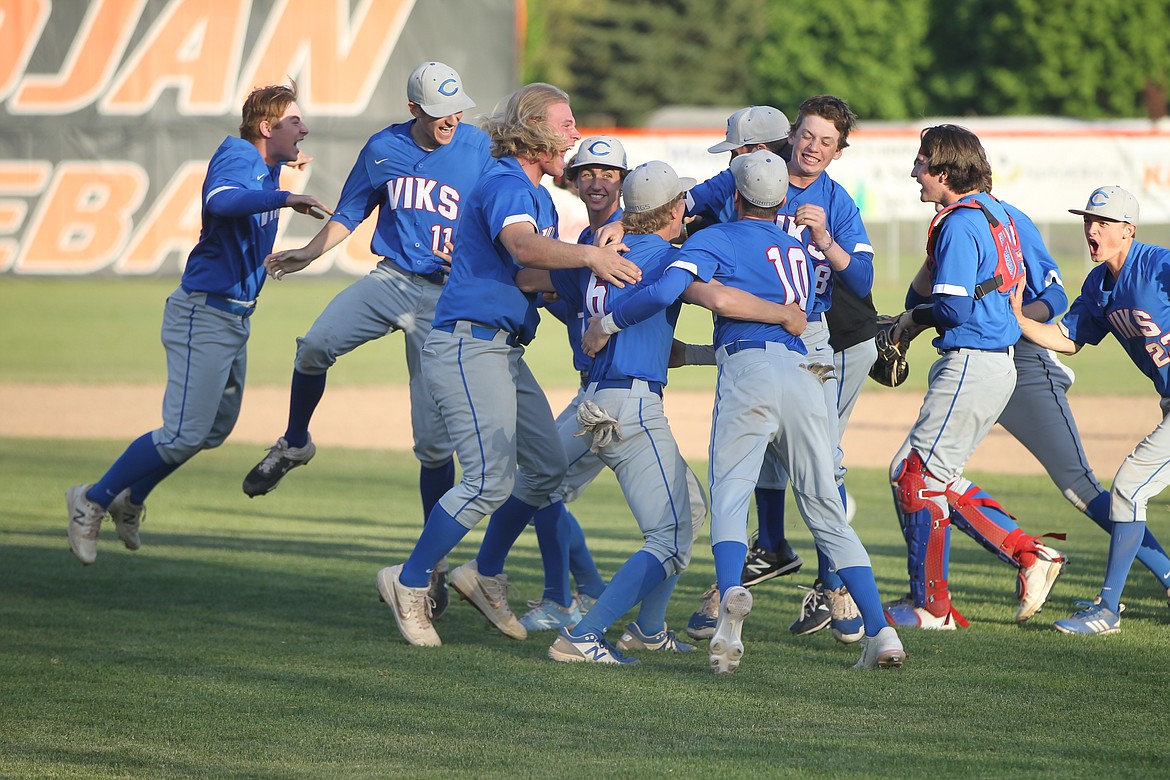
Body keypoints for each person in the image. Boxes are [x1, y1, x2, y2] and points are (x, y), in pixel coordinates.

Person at [584, 151, 906, 672]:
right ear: (782, 199)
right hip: (804, 375)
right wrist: (691, 351)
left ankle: (731, 596)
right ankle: (881, 630)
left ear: (734, 196)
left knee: (731, 495)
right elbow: (788, 316)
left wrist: (610, 323)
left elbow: (676, 290)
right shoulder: (799, 246)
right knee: (825, 506)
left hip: (749, 372)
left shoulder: (716, 238)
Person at [374, 83, 641, 648]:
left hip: (502, 349)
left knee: (546, 470)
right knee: (488, 481)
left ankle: (484, 573)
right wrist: (591, 254)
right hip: (470, 344)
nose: (574, 133)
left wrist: (596, 270)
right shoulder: (503, 181)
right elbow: (522, 248)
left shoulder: (538, 194)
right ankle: (410, 579)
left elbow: (527, 278)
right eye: (565, 124)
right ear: (535, 131)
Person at [239, 62, 494, 614]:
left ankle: (433, 568)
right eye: (438, 110)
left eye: (456, 107)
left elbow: (505, 213)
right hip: (392, 280)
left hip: (444, 300)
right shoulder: (385, 147)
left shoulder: (479, 147)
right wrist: (309, 253)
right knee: (313, 345)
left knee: (432, 444)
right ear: (413, 110)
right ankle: (295, 441)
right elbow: (353, 209)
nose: (450, 118)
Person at [66, 82, 331, 564]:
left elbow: (253, 182)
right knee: (184, 432)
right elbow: (222, 202)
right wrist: (283, 197)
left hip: (233, 320)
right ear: (267, 127)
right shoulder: (236, 156)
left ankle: (132, 498)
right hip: (203, 312)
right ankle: (92, 500)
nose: (305, 128)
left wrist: (277, 169)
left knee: (210, 431)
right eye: (295, 121)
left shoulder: (263, 164)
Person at [683, 97, 877, 646]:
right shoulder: (746, 178)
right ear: (791, 136)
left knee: (822, 465)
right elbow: (680, 205)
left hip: (816, 334)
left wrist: (827, 242)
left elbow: (860, 280)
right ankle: (766, 549)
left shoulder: (834, 201)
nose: (814, 148)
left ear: (838, 152)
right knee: (758, 447)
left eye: (827, 141)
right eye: (808, 136)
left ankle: (834, 584)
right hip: (747, 333)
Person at [885, 125, 1066, 629]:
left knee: (916, 478)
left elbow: (949, 307)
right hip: (990, 361)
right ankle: (1029, 555)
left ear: (943, 171)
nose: (914, 172)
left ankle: (932, 606)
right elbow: (924, 294)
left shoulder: (963, 224)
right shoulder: (994, 216)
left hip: (973, 359)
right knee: (932, 475)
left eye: (921, 163)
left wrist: (912, 322)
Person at [1011, 185, 1170, 634]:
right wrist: (1019, 321)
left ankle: (1107, 609)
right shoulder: (1099, 285)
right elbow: (1068, 340)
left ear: (1128, 230)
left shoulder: (1157, 264)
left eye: (1102, 222)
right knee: (1131, 490)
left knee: (1129, 487)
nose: (1092, 229)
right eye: (1088, 221)